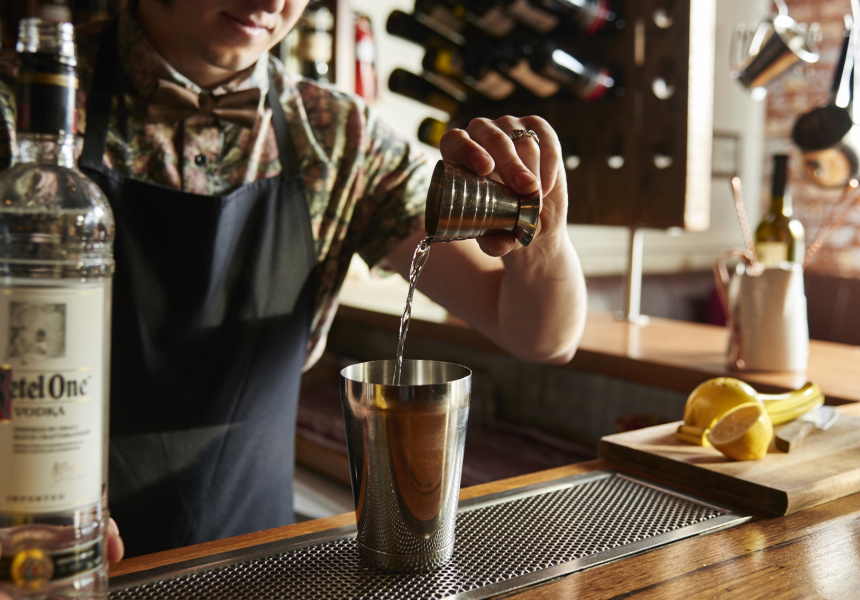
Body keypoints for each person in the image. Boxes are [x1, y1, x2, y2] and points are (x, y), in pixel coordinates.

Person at [0, 0, 587, 560]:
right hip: (53, 551)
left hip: (258, 560)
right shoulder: (25, 101)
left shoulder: (339, 137)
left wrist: (539, 229)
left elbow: (538, 336)